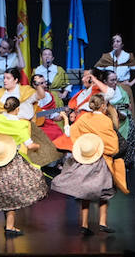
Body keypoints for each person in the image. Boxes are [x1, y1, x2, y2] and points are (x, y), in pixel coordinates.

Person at [0, 96, 49, 236]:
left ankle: (9, 225)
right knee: (12, 193)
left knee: (4, 192)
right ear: (17, 109)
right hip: (12, 162)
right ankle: (10, 227)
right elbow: (30, 145)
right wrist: (39, 146)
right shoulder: (19, 125)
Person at [50, 92, 121, 234]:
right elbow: (112, 142)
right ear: (102, 106)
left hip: (86, 159)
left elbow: (70, 133)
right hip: (101, 160)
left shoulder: (83, 119)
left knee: (85, 193)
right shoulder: (106, 121)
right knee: (104, 191)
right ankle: (102, 222)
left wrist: (65, 120)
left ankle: (84, 224)